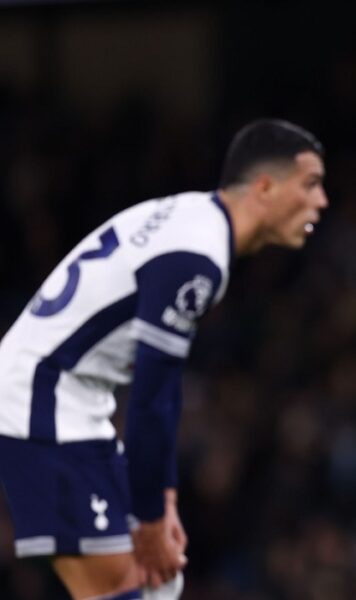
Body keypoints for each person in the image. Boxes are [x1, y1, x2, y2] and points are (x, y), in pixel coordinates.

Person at [0, 118, 328, 600]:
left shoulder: (192, 217)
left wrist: (163, 500)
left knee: (158, 582)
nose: (321, 201)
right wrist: (151, 515)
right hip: (42, 402)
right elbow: (154, 396)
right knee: (126, 587)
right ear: (264, 186)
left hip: (68, 400)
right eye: (311, 185)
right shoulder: (197, 258)